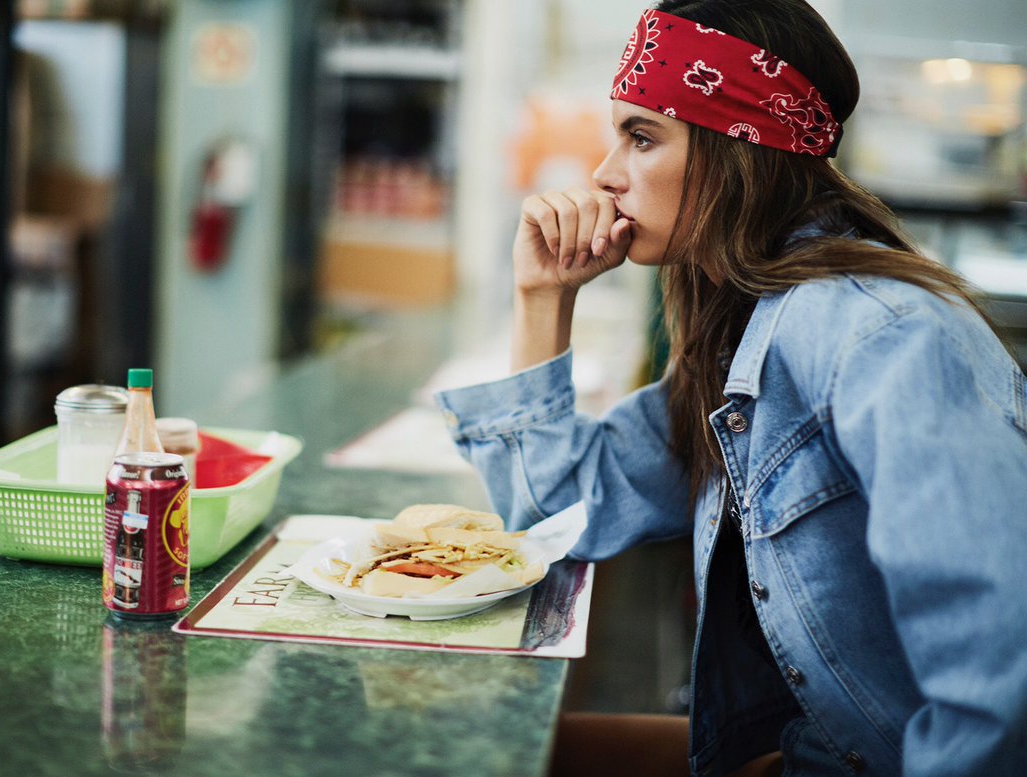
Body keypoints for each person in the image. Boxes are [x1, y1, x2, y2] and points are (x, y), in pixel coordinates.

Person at [433, 0, 1027, 774]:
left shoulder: (882, 336)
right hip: (801, 753)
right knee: (484, 752)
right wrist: (542, 297)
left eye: (641, 137)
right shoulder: (746, 325)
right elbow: (557, 515)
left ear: (736, 150)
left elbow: (999, 678)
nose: (604, 175)